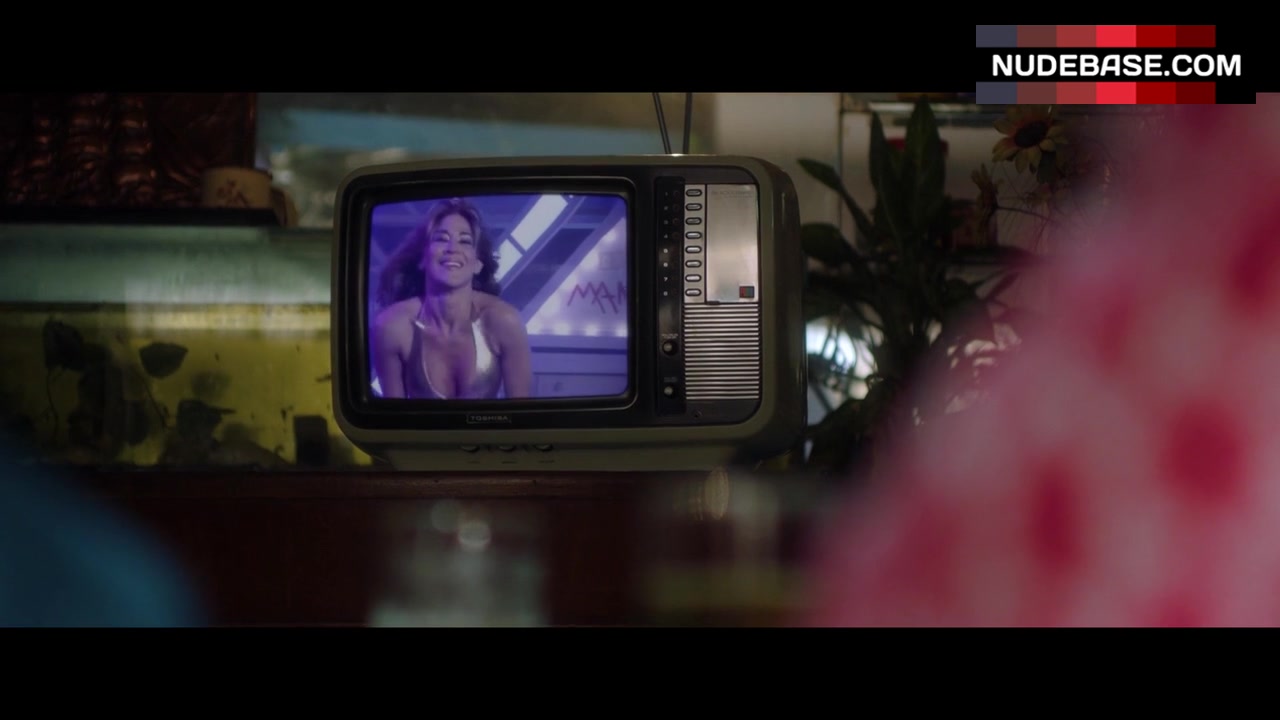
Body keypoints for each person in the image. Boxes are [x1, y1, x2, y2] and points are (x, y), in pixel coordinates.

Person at [372, 198, 533, 400]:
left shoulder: (505, 322)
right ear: (423, 259)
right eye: (441, 239)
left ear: (478, 263)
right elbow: (392, 418)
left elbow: (520, 414)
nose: (452, 248)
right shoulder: (392, 327)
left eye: (465, 241)